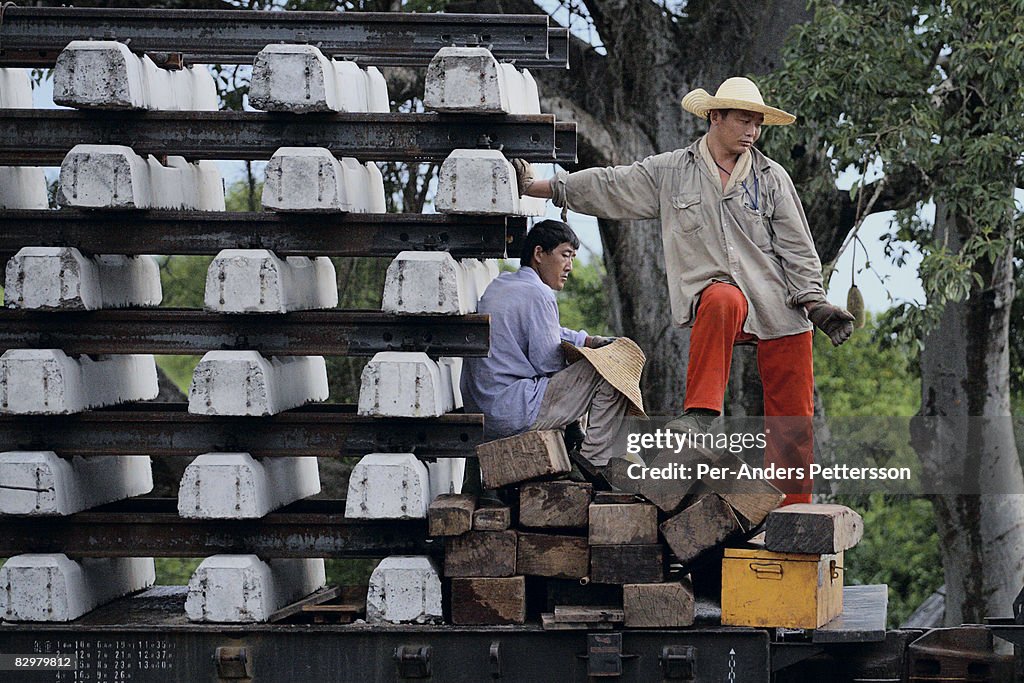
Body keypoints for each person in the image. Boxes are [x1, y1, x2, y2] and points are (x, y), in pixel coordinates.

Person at [512, 77, 854, 504]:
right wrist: (540, 187)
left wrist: (815, 303)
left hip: (778, 302)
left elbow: (797, 248)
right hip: (722, 304)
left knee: (793, 416)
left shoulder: (771, 178)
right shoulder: (672, 171)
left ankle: (793, 509)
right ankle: (701, 415)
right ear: (715, 117)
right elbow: (611, 185)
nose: (752, 131)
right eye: (744, 120)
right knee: (720, 297)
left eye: (758, 124)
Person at [460, 219, 632, 482]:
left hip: (486, 409)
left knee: (575, 373)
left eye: (573, 258)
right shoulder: (539, 295)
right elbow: (548, 363)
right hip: (514, 411)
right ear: (539, 254)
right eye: (565, 255)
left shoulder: (502, 284)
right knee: (610, 370)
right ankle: (593, 460)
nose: (569, 267)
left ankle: (576, 438)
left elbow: (549, 331)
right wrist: (593, 357)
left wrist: (585, 341)